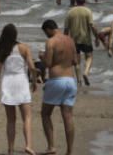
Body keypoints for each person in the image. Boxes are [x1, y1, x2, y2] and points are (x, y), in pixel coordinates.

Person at [0, 24, 38, 155]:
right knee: (27, 117)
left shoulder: (2, 49)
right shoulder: (23, 48)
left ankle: (11, 149)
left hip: (8, 81)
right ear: (15, 35)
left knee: (11, 120)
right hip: (21, 81)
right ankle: (29, 145)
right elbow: (32, 67)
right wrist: (34, 81)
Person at [39, 19, 78, 155]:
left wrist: (42, 56)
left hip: (57, 80)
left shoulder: (51, 41)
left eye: (46, 33)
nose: (46, 35)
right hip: (71, 80)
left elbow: (48, 63)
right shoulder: (70, 40)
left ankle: (51, 147)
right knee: (68, 116)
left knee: (45, 114)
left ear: (49, 29)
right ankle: (70, 151)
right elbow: (75, 61)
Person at [64, 0, 96, 86]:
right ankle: (85, 73)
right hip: (86, 39)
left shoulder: (70, 12)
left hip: (73, 40)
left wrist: (65, 40)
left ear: (76, 2)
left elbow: (66, 29)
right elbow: (92, 26)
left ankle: (79, 81)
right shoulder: (88, 11)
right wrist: (97, 37)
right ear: (84, 2)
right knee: (89, 57)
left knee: (77, 61)